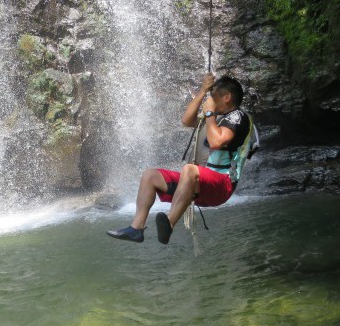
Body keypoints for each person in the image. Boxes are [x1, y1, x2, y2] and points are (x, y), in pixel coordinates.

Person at [106, 73, 252, 244]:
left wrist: (209, 112)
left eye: (213, 96)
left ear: (226, 97)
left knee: (189, 170)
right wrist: (203, 90)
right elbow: (187, 120)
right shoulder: (216, 119)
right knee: (150, 176)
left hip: (222, 184)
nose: (209, 100)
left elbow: (216, 141)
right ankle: (136, 229)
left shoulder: (238, 116)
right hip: (202, 183)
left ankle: (169, 223)